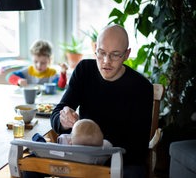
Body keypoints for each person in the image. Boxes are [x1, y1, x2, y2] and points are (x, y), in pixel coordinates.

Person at [50, 24, 153, 178]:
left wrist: (100, 156)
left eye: (115, 54)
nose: (106, 61)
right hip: (82, 157)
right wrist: (63, 120)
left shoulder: (142, 87)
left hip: (123, 160)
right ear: (95, 48)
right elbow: (56, 115)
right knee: (30, 164)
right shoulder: (84, 70)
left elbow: (138, 149)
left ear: (127, 54)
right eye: (102, 52)